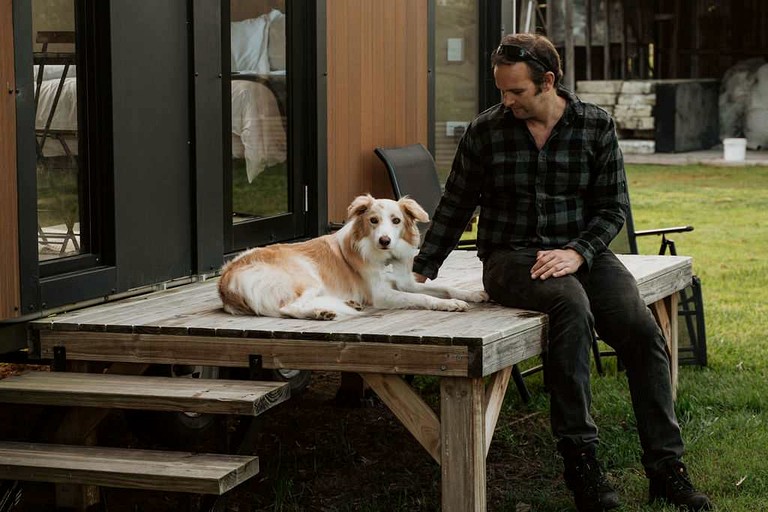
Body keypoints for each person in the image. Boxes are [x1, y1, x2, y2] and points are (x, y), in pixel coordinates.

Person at [412, 32, 712, 512]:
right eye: (501, 91)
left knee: (641, 329)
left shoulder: (595, 126)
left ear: (548, 81)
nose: (506, 101)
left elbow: (613, 208)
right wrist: (421, 269)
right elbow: (455, 204)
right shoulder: (485, 131)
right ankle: (582, 463)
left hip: (583, 252)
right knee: (569, 303)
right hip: (511, 257)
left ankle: (667, 469)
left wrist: (578, 252)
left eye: (516, 92)